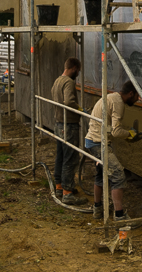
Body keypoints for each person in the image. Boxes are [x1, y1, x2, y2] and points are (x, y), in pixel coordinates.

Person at [85, 80, 142, 223]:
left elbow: (111, 129)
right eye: (137, 96)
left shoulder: (112, 98)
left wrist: (128, 134)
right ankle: (120, 216)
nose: (138, 99)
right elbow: (116, 131)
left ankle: (97, 209)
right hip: (99, 144)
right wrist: (129, 134)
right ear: (130, 93)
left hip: (92, 141)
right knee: (118, 176)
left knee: (101, 175)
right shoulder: (118, 103)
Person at [52, 57, 86, 205]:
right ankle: (67, 192)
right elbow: (69, 101)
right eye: (78, 70)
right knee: (70, 158)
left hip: (59, 124)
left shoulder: (58, 80)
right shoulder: (69, 82)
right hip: (69, 125)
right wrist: (80, 110)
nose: (78, 73)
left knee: (61, 155)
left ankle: (59, 186)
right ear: (73, 68)